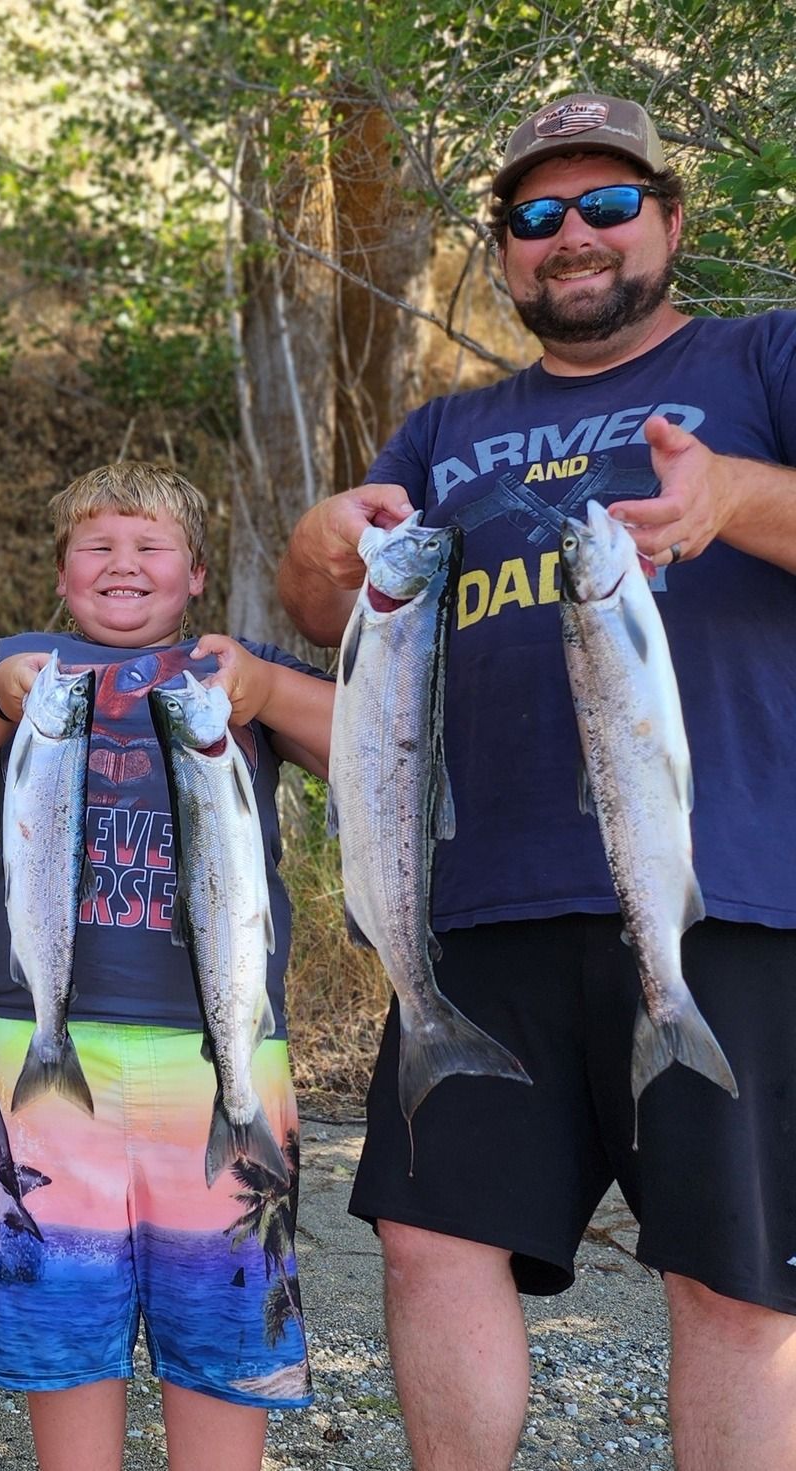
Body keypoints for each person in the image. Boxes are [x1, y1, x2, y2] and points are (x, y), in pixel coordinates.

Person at [276, 92, 796, 1470]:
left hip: (723, 892)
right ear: (506, 248)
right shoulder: (445, 429)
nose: (574, 236)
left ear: (670, 222)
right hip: (471, 904)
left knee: (734, 1282)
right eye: (537, 215)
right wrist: (320, 540)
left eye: (609, 204)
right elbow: (327, 611)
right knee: (434, 1244)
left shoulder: (767, 357)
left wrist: (732, 498)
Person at [0, 462, 329, 1471]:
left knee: (225, 1322)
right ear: (59, 574)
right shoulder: (25, 668)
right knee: (62, 1324)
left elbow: (363, 741)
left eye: (149, 546)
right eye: (95, 545)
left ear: (193, 576)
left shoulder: (236, 672)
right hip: (45, 1044)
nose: (122, 563)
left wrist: (263, 688)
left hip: (221, 1052)